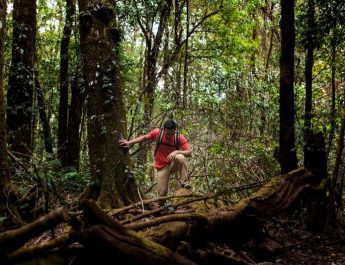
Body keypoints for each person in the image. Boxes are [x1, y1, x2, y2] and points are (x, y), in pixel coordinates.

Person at [119, 119, 192, 204]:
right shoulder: (158, 133)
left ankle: (185, 182)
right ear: (164, 129)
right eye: (167, 133)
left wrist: (176, 151)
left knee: (180, 157)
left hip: (173, 163)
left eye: (171, 134)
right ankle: (163, 209)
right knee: (162, 194)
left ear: (174, 131)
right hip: (162, 167)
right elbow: (144, 138)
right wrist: (129, 142)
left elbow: (189, 153)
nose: (169, 136)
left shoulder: (179, 137)